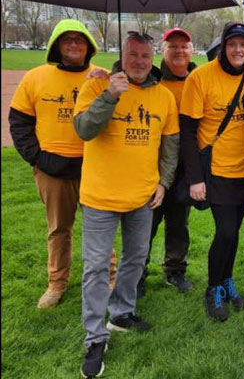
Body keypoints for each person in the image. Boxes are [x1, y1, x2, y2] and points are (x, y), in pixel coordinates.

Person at [74, 31, 180, 378]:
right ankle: (95, 337)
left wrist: (163, 183)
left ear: (153, 58)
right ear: (123, 54)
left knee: (136, 259)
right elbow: (84, 130)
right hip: (100, 197)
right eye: (133, 54)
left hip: (143, 196)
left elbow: (170, 145)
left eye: (145, 56)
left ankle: (121, 313)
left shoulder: (163, 96)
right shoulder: (97, 86)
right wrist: (109, 96)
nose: (139, 61)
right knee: (96, 268)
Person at [8, 19, 117, 309]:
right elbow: (19, 123)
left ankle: (110, 279)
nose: (73, 44)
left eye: (80, 40)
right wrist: (38, 157)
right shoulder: (35, 77)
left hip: (94, 166)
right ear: (57, 44)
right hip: (52, 168)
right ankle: (56, 283)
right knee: (59, 229)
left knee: (101, 227)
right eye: (67, 39)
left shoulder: (101, 77)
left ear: (89, 46)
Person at [179, 22, 244, 322]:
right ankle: (213, 288)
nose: (238, 50)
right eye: (232, 44)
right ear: (223, 47)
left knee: (234, 232)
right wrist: (195, 178)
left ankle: (227, 280)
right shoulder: (201, 77)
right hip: (216, 171)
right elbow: (188, 131)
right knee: (225, 231)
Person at [138, 28, 198, 297]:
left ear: (191, 51)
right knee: (144, 224)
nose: (179, 51)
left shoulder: (197, 80)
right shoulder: (150, 78)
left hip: (184, 166)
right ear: (163, 51)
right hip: (150, 164)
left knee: (178, 223)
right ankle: (137, 273)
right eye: (173, 46)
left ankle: (175, 269)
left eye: (184, 46)